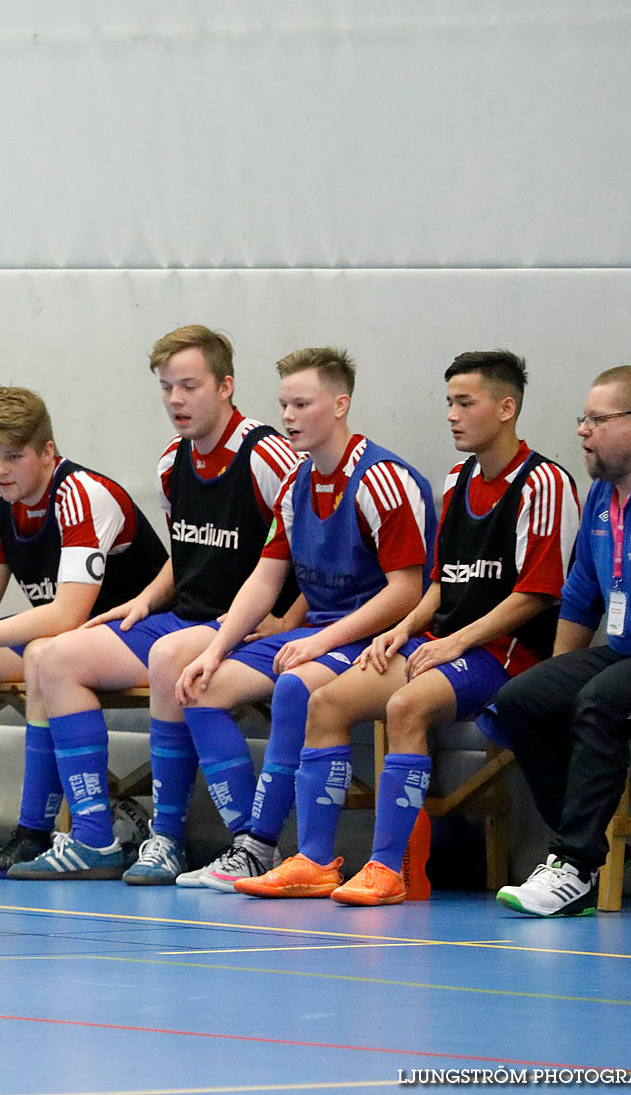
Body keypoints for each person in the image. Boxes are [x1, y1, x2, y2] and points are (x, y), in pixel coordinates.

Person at [237, 350, 577, 905]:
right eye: (448, 403)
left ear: (507, 408)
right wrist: (405, 627)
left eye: (465, 403)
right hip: (444, 645)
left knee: (405, 708)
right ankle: (315, 862)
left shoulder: (544, 484)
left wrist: (455, 641)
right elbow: (443, 580)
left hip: (507, 655)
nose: (452, 415)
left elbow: (536, 595)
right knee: (325, 702)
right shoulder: (458, 478)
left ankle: (388, 868)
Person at [17, 327, 301, 882]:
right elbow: (186, 550)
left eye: (189, 386)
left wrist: (288, 620)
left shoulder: (268, 454)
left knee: (173, 658)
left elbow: (315, 542)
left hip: (245, 626)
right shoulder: (173, 461)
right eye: (167, 388)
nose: (175, 399)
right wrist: (144, 600)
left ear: (226, 386)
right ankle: (94, 839)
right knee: (52, 656)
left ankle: (171, 836)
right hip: (183, 616)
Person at [174, 347, 436, 891]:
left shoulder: (384, 479)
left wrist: (321, 641)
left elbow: (407, 591)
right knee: (200, 688)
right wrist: (215, 649)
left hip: (384, 637)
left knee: (295, 688)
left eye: (302, 404)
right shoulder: (296, 485)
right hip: (320, 633)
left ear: (340, 405)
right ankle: (247, 837)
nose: (288, 417)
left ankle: (266, 849)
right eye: (283, 405)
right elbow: (265, 579)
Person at [0, 385, 167, 879]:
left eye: (13, 457)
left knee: (43, 651)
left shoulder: (81, 495)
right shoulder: (3, 507)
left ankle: (34, 833)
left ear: (46, 452)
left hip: (135, 633)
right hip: (65, 642)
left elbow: (65, 613)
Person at [491, 365, 631, 917]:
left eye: (597, 419)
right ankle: (598, 847)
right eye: (582, 418)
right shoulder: (605, 492)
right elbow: (581, 590)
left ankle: (576, 866)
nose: (583, 430)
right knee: (522, 700)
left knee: (600, 702)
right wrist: (555, 679)